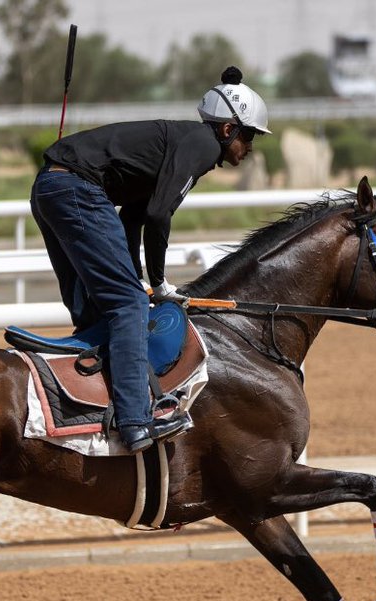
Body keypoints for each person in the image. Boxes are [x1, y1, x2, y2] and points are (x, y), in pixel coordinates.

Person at [30, 66, 271, 453]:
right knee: (128, 306)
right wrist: (158, 284)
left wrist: (136, 274)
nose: (249, 149)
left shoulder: (176, 144)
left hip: (50, 187)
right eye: (249, 137)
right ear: (228, 130)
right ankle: (135, 421)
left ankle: (89, 405)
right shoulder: (203, 145)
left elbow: (134, 217)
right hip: (76, 189)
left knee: (99, 306)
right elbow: (160, 215)